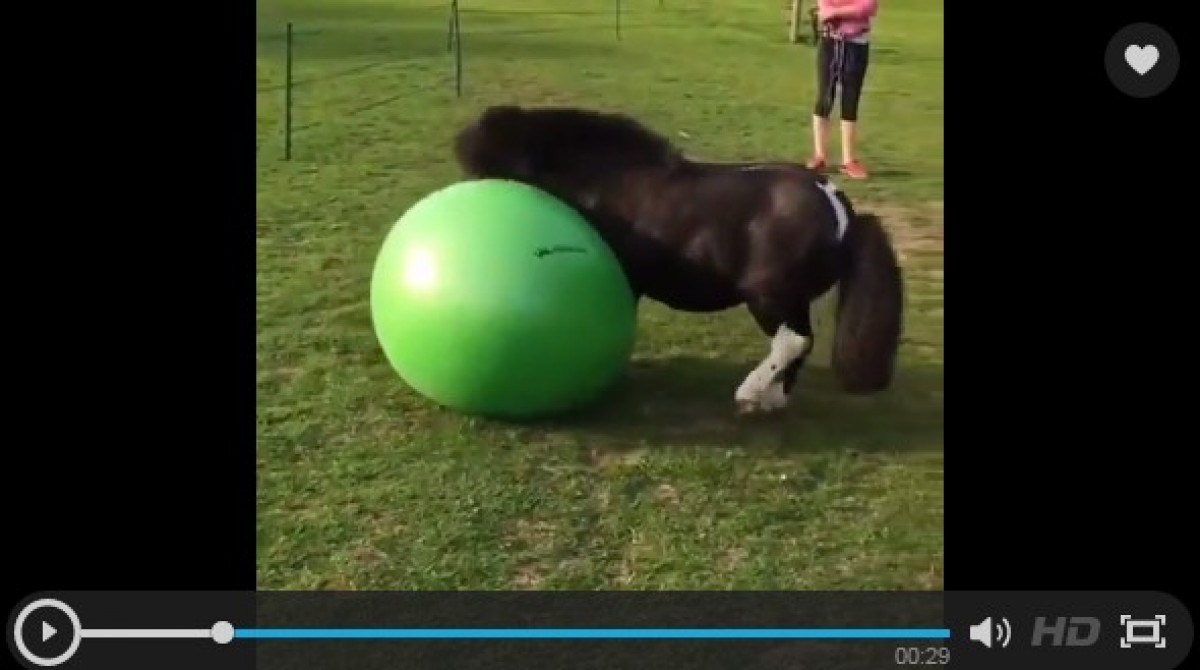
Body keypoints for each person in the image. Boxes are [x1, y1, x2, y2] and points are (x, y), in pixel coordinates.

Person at [806, 0, 879, 180]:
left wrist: (836, 13)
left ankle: (849, 160)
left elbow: (867, 8)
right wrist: (841, 12)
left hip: (856, 45)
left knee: (850, 98)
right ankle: (819, 155)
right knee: (825, 97)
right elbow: (824, 9)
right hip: (830, 42)